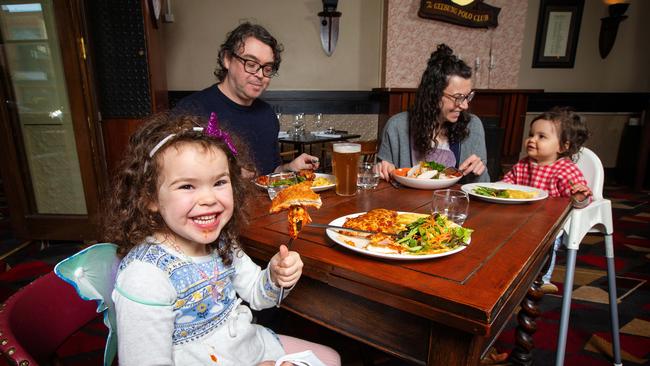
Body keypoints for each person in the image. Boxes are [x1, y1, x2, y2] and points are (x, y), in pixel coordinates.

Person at [102, 112, 340, 365]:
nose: (209, 199)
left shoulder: (222, 242)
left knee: (330, 358)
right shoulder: (145, 278)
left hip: (246, 347)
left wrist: (275, 276)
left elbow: (258, 296)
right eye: (187, 186)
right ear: (149, 198)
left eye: (219, 182)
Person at [175, 22, 318, 175]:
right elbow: (175, 173)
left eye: (267, 68)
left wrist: (288, 168)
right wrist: (231, 174)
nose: (260, 75)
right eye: (251, 64)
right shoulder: (191, 109)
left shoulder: (267, 114)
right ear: (227, 59)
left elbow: (269, 174)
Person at [501, 106, 592, 294]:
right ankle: (511, 272)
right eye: (531, 134)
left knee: (549, 242)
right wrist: (497, 189)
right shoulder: (523, 164)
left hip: (549, 223)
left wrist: (579, 195)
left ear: (563, 146)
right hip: (521, 219)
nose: (532, 140)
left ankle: (543, 278)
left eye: (541, 136)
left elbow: (577, 199)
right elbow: (506, 184)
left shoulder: (565, 170)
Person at [377, 44, 489, 183]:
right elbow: (383, 183)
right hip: (406, 204)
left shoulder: (473, 126)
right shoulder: (397, 127)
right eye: (458, 97)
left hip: (454, 204)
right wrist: (381, 171)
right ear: (434, 94)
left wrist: (480, 170)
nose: (465, 105)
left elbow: (482, 187)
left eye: (467, 97)